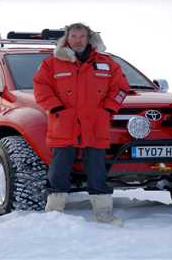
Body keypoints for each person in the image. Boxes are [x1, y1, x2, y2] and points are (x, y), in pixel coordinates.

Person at [33, 23, 129, 224]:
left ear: (89, 38)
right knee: (59, 170)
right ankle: (54, 214)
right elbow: (41, 87)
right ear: (67, 38)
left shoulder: (107, 63)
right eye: (74, 36)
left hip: (95, 125)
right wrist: (56, 107)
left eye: (82, 36)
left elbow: (121, 88)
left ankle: (103, 214)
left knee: (97, 171)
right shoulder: (51, 63)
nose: (78, 40)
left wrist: (109, 108)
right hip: (64, 125)